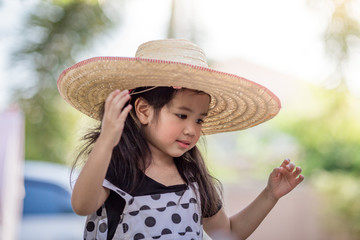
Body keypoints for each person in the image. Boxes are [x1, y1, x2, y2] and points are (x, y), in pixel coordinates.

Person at [57, 39, 304, 240]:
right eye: (182, 115)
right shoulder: (117, 168)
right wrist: (106, 142)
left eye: (199, 120)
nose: (191, 129)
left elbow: (227, 233)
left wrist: (269, 195)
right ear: (143, 110)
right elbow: (82, 205)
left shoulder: (193, 177)